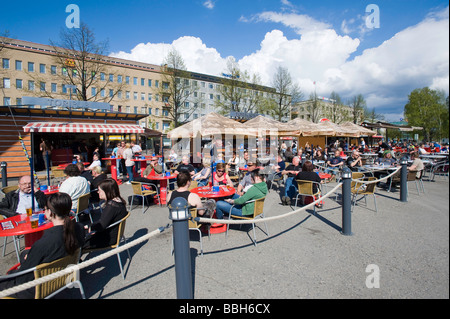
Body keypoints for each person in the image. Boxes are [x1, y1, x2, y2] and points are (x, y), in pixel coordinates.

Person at [0, 192, 85, 299]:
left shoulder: (45, 242)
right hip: (63, 278)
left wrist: (12, 273)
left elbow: (23, 278)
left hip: (38, 287)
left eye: (45, 209)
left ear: (50, 212)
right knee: (25, 254)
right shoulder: (79, 228)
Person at [83, 179, 128, 249]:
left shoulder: (111, 206)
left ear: (106, 191)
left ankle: (76, 259)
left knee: (77, 242)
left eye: (99, 190)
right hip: (114, 233)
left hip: (109, 237)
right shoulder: (119, 201)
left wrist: (89, 227)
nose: (97, 192)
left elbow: (101, 226)